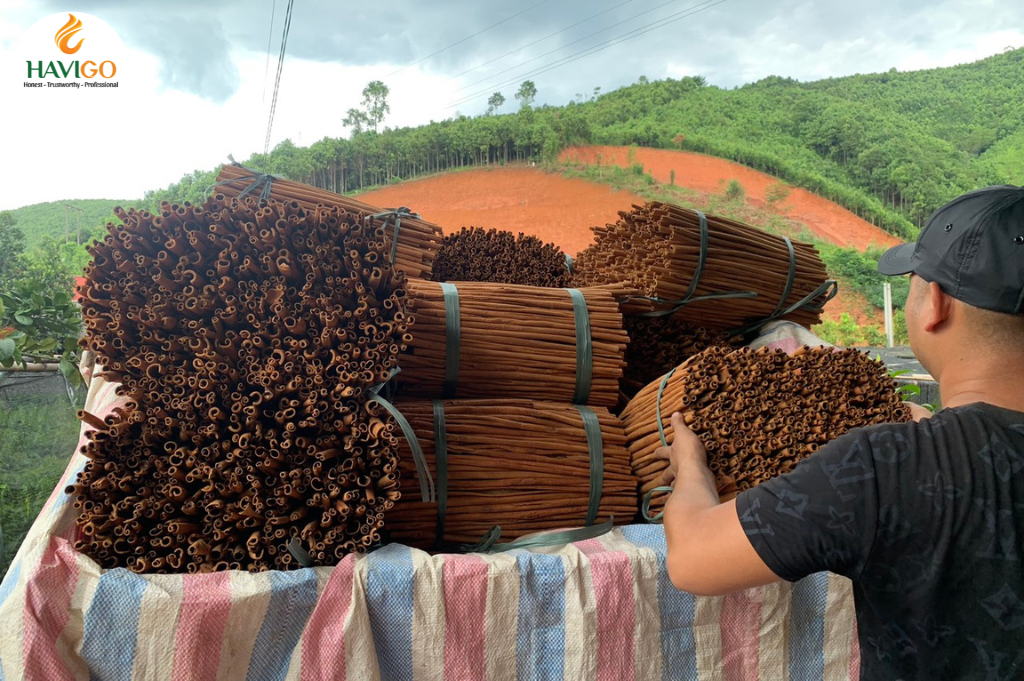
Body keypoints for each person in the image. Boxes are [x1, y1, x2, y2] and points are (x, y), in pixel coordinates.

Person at [655, 185, 1024, 680]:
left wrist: (692, 470)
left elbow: (692, 559)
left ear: (934, 303)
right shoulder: (905, 457)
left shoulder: (886, 467)